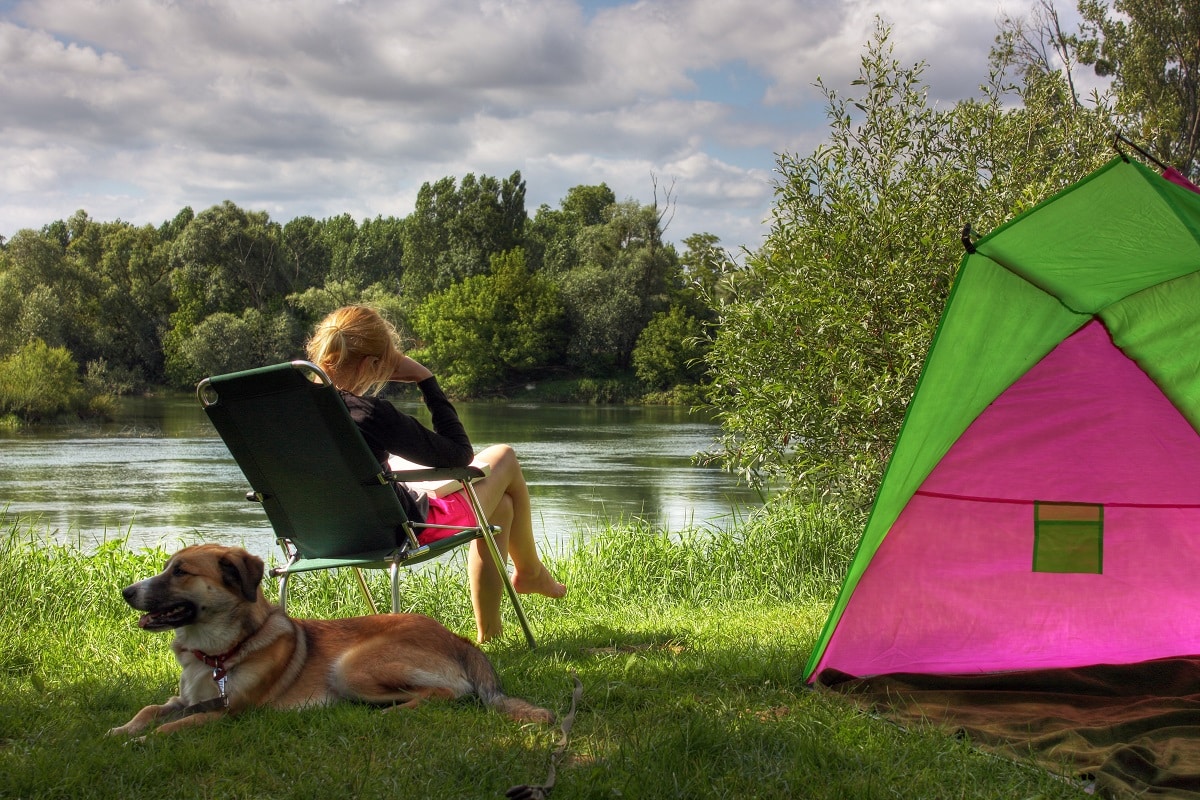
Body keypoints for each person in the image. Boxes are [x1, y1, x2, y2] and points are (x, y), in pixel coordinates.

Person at [305, 305, 566, 643]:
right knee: (505, 456)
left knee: (501, 508)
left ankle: (492, 634)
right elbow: (460, 455)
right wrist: (425, 380)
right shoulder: (370, 415)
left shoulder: (288, 415)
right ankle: (530, 571)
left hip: (320, 537)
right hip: (402, 532)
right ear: (372, 364)